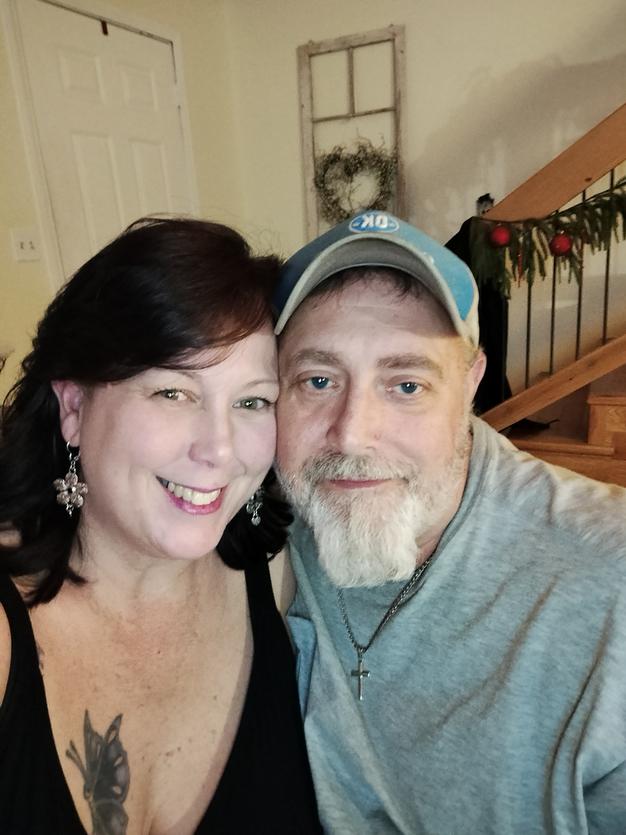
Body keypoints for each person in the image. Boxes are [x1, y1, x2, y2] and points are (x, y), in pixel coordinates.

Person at [273, 210, 626, 834]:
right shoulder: (258, 522)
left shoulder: (608, 586)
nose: (352, 434)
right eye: (318, 380)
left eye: (406, 385)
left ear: (471, 384)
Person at [0, 218, 321, 834]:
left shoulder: (288, 583)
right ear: (74, 408)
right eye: (173, 392)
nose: (219, 450)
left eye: (252, 401)